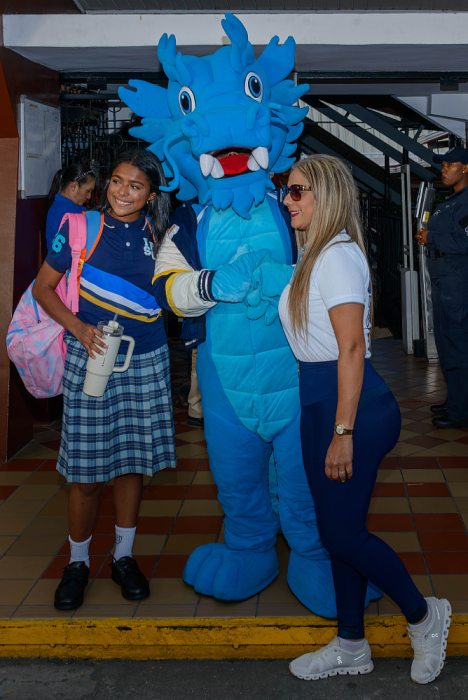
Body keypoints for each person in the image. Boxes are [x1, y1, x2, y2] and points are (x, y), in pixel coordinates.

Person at [255, 154, 451, 684]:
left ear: (327, 196)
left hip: (352, 411)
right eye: (286, 190)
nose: (287, 200)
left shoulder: (337, 256)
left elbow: (351, 348)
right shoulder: (315, 255)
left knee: (342, 536)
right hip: (320, 405)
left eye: (297, 191)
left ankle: (425, 617)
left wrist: (342, 432)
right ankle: (350, 644)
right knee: (337, 531)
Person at [33, 149, 176, 610]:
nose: (121, 192)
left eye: (135, 185)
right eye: (116, 181)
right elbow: (42, 288)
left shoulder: (162, 234)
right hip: (91, 355)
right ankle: (77, 563)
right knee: (86, 470)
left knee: (132, 464)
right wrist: (77, 328)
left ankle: (123, 557)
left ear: (151, 194)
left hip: (146, 356)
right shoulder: (80, 227)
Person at [416, 146, 468, 429]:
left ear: (466, 168)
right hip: (443, 279)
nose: (444, 169)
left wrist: (431, 237)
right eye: (443, 165)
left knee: (457, 344)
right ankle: (455, 400)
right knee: (446, 344)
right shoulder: (452, 200)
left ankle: (461, 411)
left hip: (457, 282)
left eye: (450, 165)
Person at [46, 165, 96, 251]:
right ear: (74, 186)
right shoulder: (67, 212)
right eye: (87, 191)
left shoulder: (61, 207)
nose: (89, 196)